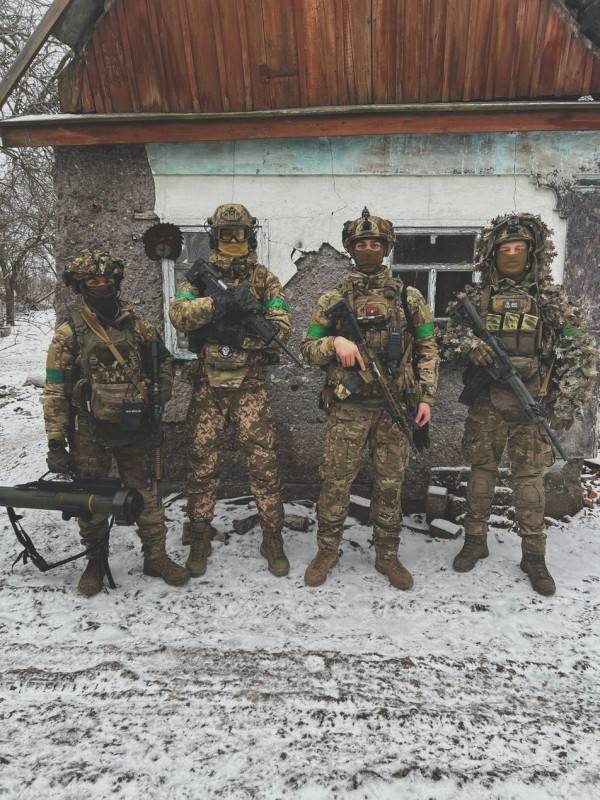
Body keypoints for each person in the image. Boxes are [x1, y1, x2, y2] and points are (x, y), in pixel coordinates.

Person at [442, 214, 597, 595]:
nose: (511, 254)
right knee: (481, 473)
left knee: (529, 481)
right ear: (493, 254)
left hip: (531, 401)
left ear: (532, 252)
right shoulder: (477, 298)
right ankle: (475, 541)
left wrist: (565, 402)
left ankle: (534, 555)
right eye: (504, 249)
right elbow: (449, 335)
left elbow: (580, 349)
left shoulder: (550, 299)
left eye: (519, 248)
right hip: (486, 403)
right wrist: (471, 346)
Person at [300, 208, 439, 589]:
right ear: (351, 248)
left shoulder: (409, 297)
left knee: (390, 484)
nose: (368, 249)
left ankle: (387, 554)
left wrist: (425, 398)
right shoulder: (332, 298)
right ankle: (327, 551)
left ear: (386, 247)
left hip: (394, 409)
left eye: (375, 243)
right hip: (348, 408)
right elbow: (308, 348)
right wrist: (334, 342)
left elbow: (427, 348)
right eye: (361, 243)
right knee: (336, 482)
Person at [44, 250, 190, 596]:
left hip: (135, 429)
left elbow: (165, 362)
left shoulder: (138, 326)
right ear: (82, 286)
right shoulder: (69, 332)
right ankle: (95, 561)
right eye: (94, 281)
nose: (102, 286)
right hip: (88, 431)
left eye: (107, 280)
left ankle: (155, 556)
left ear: (117, 283)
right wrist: (56, 442)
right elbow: (55, 389)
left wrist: (158, 395)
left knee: (148, 495)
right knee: (90, 500)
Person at [168, 203, 292, 578]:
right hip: (208, 388)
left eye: (239, 234)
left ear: (250, 237)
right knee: (202, 466)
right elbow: (179, 314)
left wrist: (237, 335)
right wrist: (218, 303)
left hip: (250, 388)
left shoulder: (264, 280)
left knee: (264, 466)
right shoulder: (197, 281)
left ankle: (272, 537)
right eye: (226, 234)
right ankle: (200, 535)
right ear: (215, 238)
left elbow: (280, 330)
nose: (233, 240)